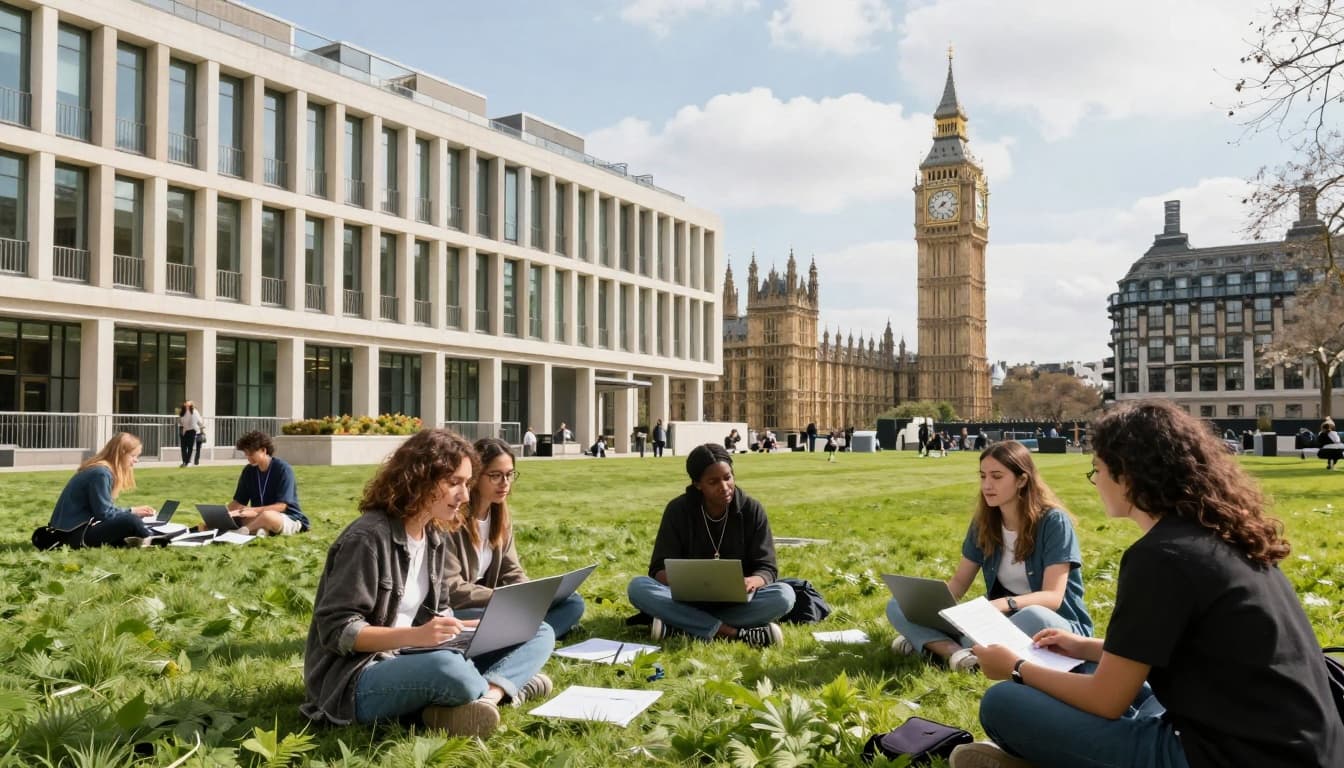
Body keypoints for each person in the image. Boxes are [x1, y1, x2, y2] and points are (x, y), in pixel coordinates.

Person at [954, 400, 1344, 768]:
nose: (1096, 482)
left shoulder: (1159, 557)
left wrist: (1017, 667)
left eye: (1098, 471)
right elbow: (1194, 652)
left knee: (1003, 703)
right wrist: (1083, 645)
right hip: (1293, 744)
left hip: (1222, 754)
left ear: (1127, 477)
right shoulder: (1220, 536)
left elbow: (1107, 700)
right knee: (1088, 669)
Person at [301, 429, 554, 738]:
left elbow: (437, 610)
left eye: (467, 484)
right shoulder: (368, 539)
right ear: (419, 479)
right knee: (449, 670)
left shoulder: (432, 534)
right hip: (358, 675)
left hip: (415, 652)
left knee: (537, 629)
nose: (464, 496)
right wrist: (418, 635)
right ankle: (506, 686)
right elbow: (337, 630)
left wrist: (463, 626)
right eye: (454, 483)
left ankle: (486, 698)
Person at [888, 440, 1092, 673]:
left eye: (997, 476)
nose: (987, 485)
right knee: (897, 605)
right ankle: (957, 653)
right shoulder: (984, 523)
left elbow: (1053, 597)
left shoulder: (1054, 522)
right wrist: (928, 603)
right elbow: (958, 584)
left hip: (1053, 623)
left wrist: (1003, 604)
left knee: (1033, 615)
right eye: (983, 476)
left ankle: (929, 644)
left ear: (1022, 480)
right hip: (995, 618)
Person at [627, 443, 795, 647]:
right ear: (698, 484)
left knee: (784, 596)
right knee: (638, 587)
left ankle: (679, 626)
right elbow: (657, 569)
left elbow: (767, 568)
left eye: (728, 477)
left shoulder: (752, 510)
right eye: (713, 482)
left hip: (738, 603)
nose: (724, 487)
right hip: (685, 600)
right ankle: (732, 633)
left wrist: (752, 581)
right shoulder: (678, 510)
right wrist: (685, 583)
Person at [446, 438, 585, 639]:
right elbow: (453, 589)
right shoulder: (451, 519)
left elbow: (511, 570)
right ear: (475, 476)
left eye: (510, 475)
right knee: (504, 617)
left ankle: (527, 635)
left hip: (497, 602)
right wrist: (504, 599)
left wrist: (531, 594)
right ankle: (535, 634)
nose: (505, 483)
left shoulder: (500, 515)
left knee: (573, 602)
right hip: (465, 607)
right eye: (495, 475)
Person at [45, 432, 157, 548]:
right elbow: (104, 513)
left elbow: (103, 511)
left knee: (130, 522)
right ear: (121, 454)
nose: (136, 460)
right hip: (74, 535)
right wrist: (132, 511)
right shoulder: (100, 473)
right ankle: (153, 539)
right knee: (131, 521)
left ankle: (145, 537)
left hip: (69, 532)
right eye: (133, 456)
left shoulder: (98, 469)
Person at [226, 431, 309, 536]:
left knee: (267, 516)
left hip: (286, 517)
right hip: (258, 516)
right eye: (246, 455)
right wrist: (225, 515)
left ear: (263, 450)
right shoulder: (248, 471)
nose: (248, 458)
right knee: (237, 517)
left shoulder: (283, 469)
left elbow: (282, 506)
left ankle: (243, 531)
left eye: (251, 454)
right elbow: (238, 502)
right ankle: (261, 530)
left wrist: (253, 510)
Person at [178, 400, 204, 467]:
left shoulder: (195, 412)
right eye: (186, 404)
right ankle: (185, 461)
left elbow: (199, 421)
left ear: (191, 405)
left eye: (189, 405)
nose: (187, 406)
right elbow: (180, 421)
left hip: (191, 430)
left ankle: (188, 462)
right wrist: (182, 428)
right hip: (183, 430)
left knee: (190, 447)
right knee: (183, 447)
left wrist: (201, 427)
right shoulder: (182, 412)